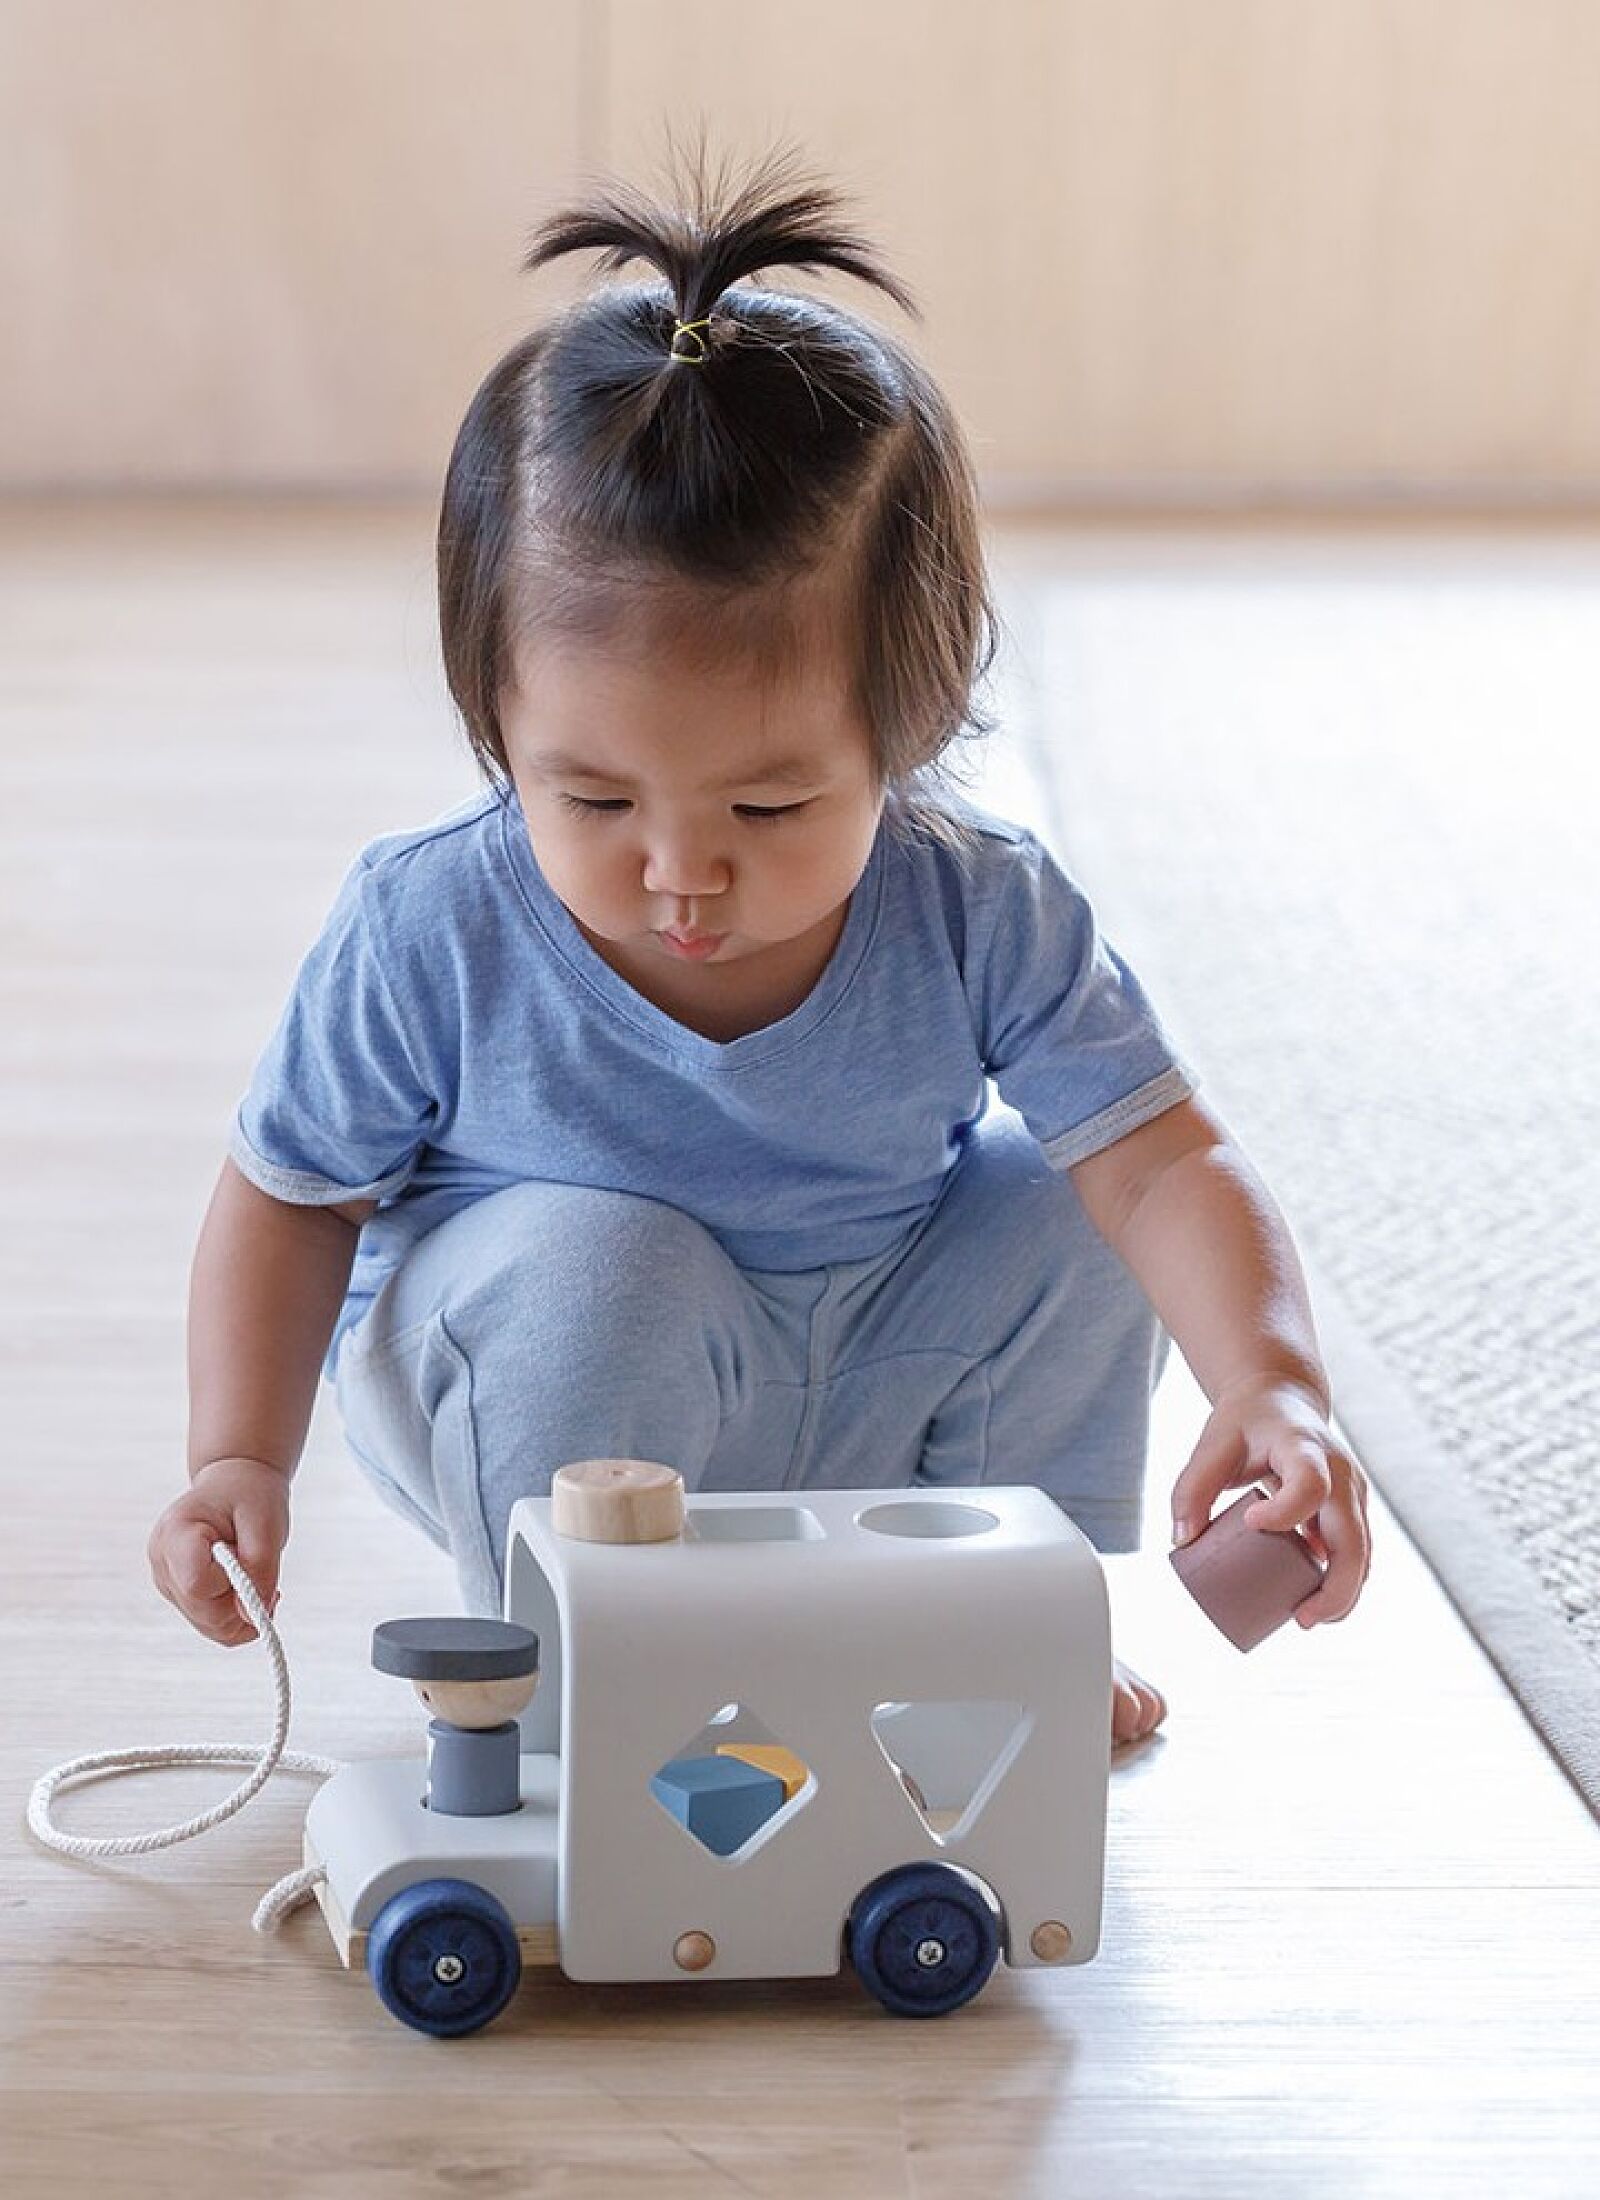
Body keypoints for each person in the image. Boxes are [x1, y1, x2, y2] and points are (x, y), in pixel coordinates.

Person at [146, 143, 1370, 1748]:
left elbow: (1161, 1166)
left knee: (1079, 1198)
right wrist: (239, 1454)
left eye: (775, 805)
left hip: (857, 1374)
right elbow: (290, 1198)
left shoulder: (978, 901)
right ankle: (582, 1674)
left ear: (908, 733)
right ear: (493, 719)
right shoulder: (428, 923)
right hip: (555, 1408)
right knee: (607, 1260)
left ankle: (978, 1613)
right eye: (588, 795)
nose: (679, 874)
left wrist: (1271, 1380)